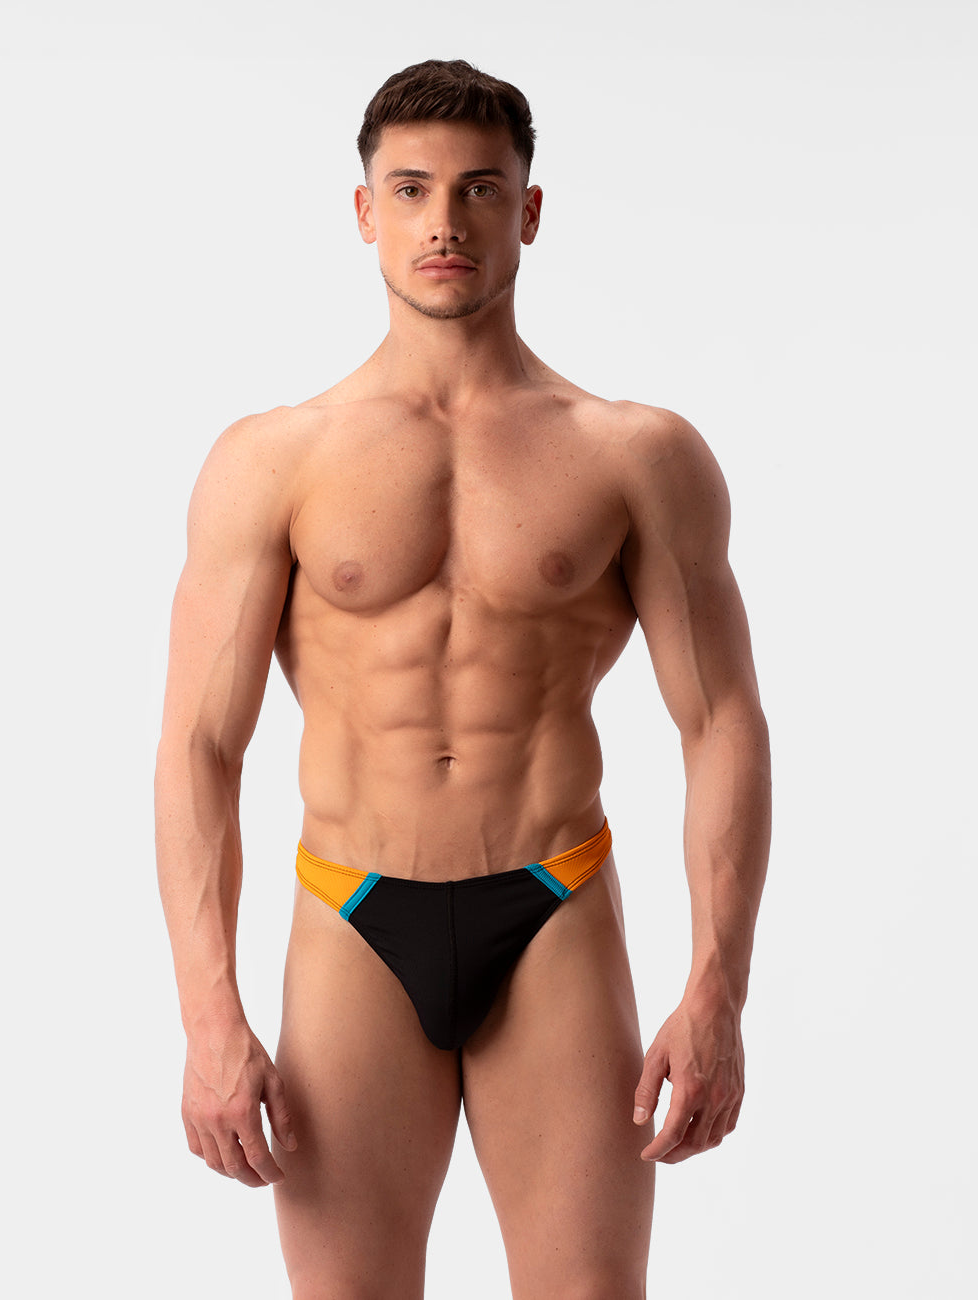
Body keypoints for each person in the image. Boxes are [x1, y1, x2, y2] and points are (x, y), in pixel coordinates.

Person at [155, 58, 771, 1299]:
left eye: (480, 188)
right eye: (412, 189)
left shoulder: (634, 455)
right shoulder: (272, 460)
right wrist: (209, 1016)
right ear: (364, 211)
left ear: (528, 211)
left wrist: (717, 989)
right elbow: (199, 747)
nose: (445, 221)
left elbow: (720, 722)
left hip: (552, 901)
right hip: (351, 910)